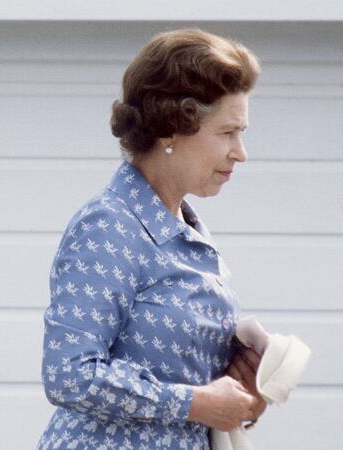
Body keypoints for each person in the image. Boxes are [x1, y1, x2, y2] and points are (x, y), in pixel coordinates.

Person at [37, 29, 267, 450]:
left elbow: (183, 380)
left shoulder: (189, 228)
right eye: (228, 132)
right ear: (171, 131)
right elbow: (68, 373)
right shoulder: (109, 226)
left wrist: (239, 384)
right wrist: (195, 403)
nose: (241, 152)